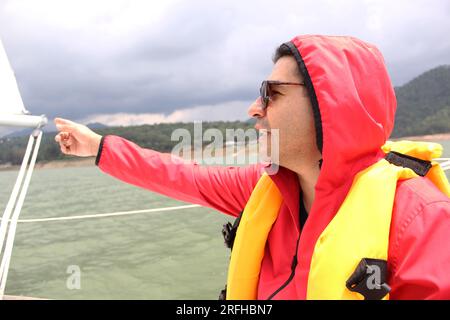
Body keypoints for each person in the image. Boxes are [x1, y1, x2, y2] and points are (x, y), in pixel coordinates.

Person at [54, 35, 450, 300]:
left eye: (271, 93)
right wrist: (99, 146)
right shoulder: (270, 189)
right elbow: (182, 175)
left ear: (332, 104)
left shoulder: (419, 220)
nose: (254, 109)